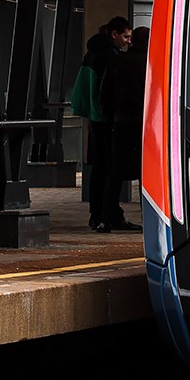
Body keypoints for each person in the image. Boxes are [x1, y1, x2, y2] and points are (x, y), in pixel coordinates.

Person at [70, 16, 132, 230]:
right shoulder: (110, 55)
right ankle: (108, 215)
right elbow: (108, 90)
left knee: (99, 167)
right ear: (114, 34)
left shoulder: (92, 52)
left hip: (94, 116)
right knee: (109, 168)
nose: (128, 41)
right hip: (105, 118)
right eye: (125, 36)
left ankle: (96, 214)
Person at [96, 26, 148, 233]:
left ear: (132, 41)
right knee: (147, 173)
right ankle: (149, 220)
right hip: (146, 124)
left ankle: (106, 219)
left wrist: (110, 118)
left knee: (115, 172)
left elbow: (104, 94)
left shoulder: (117, 62)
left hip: (121, 121)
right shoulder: (151, 63)